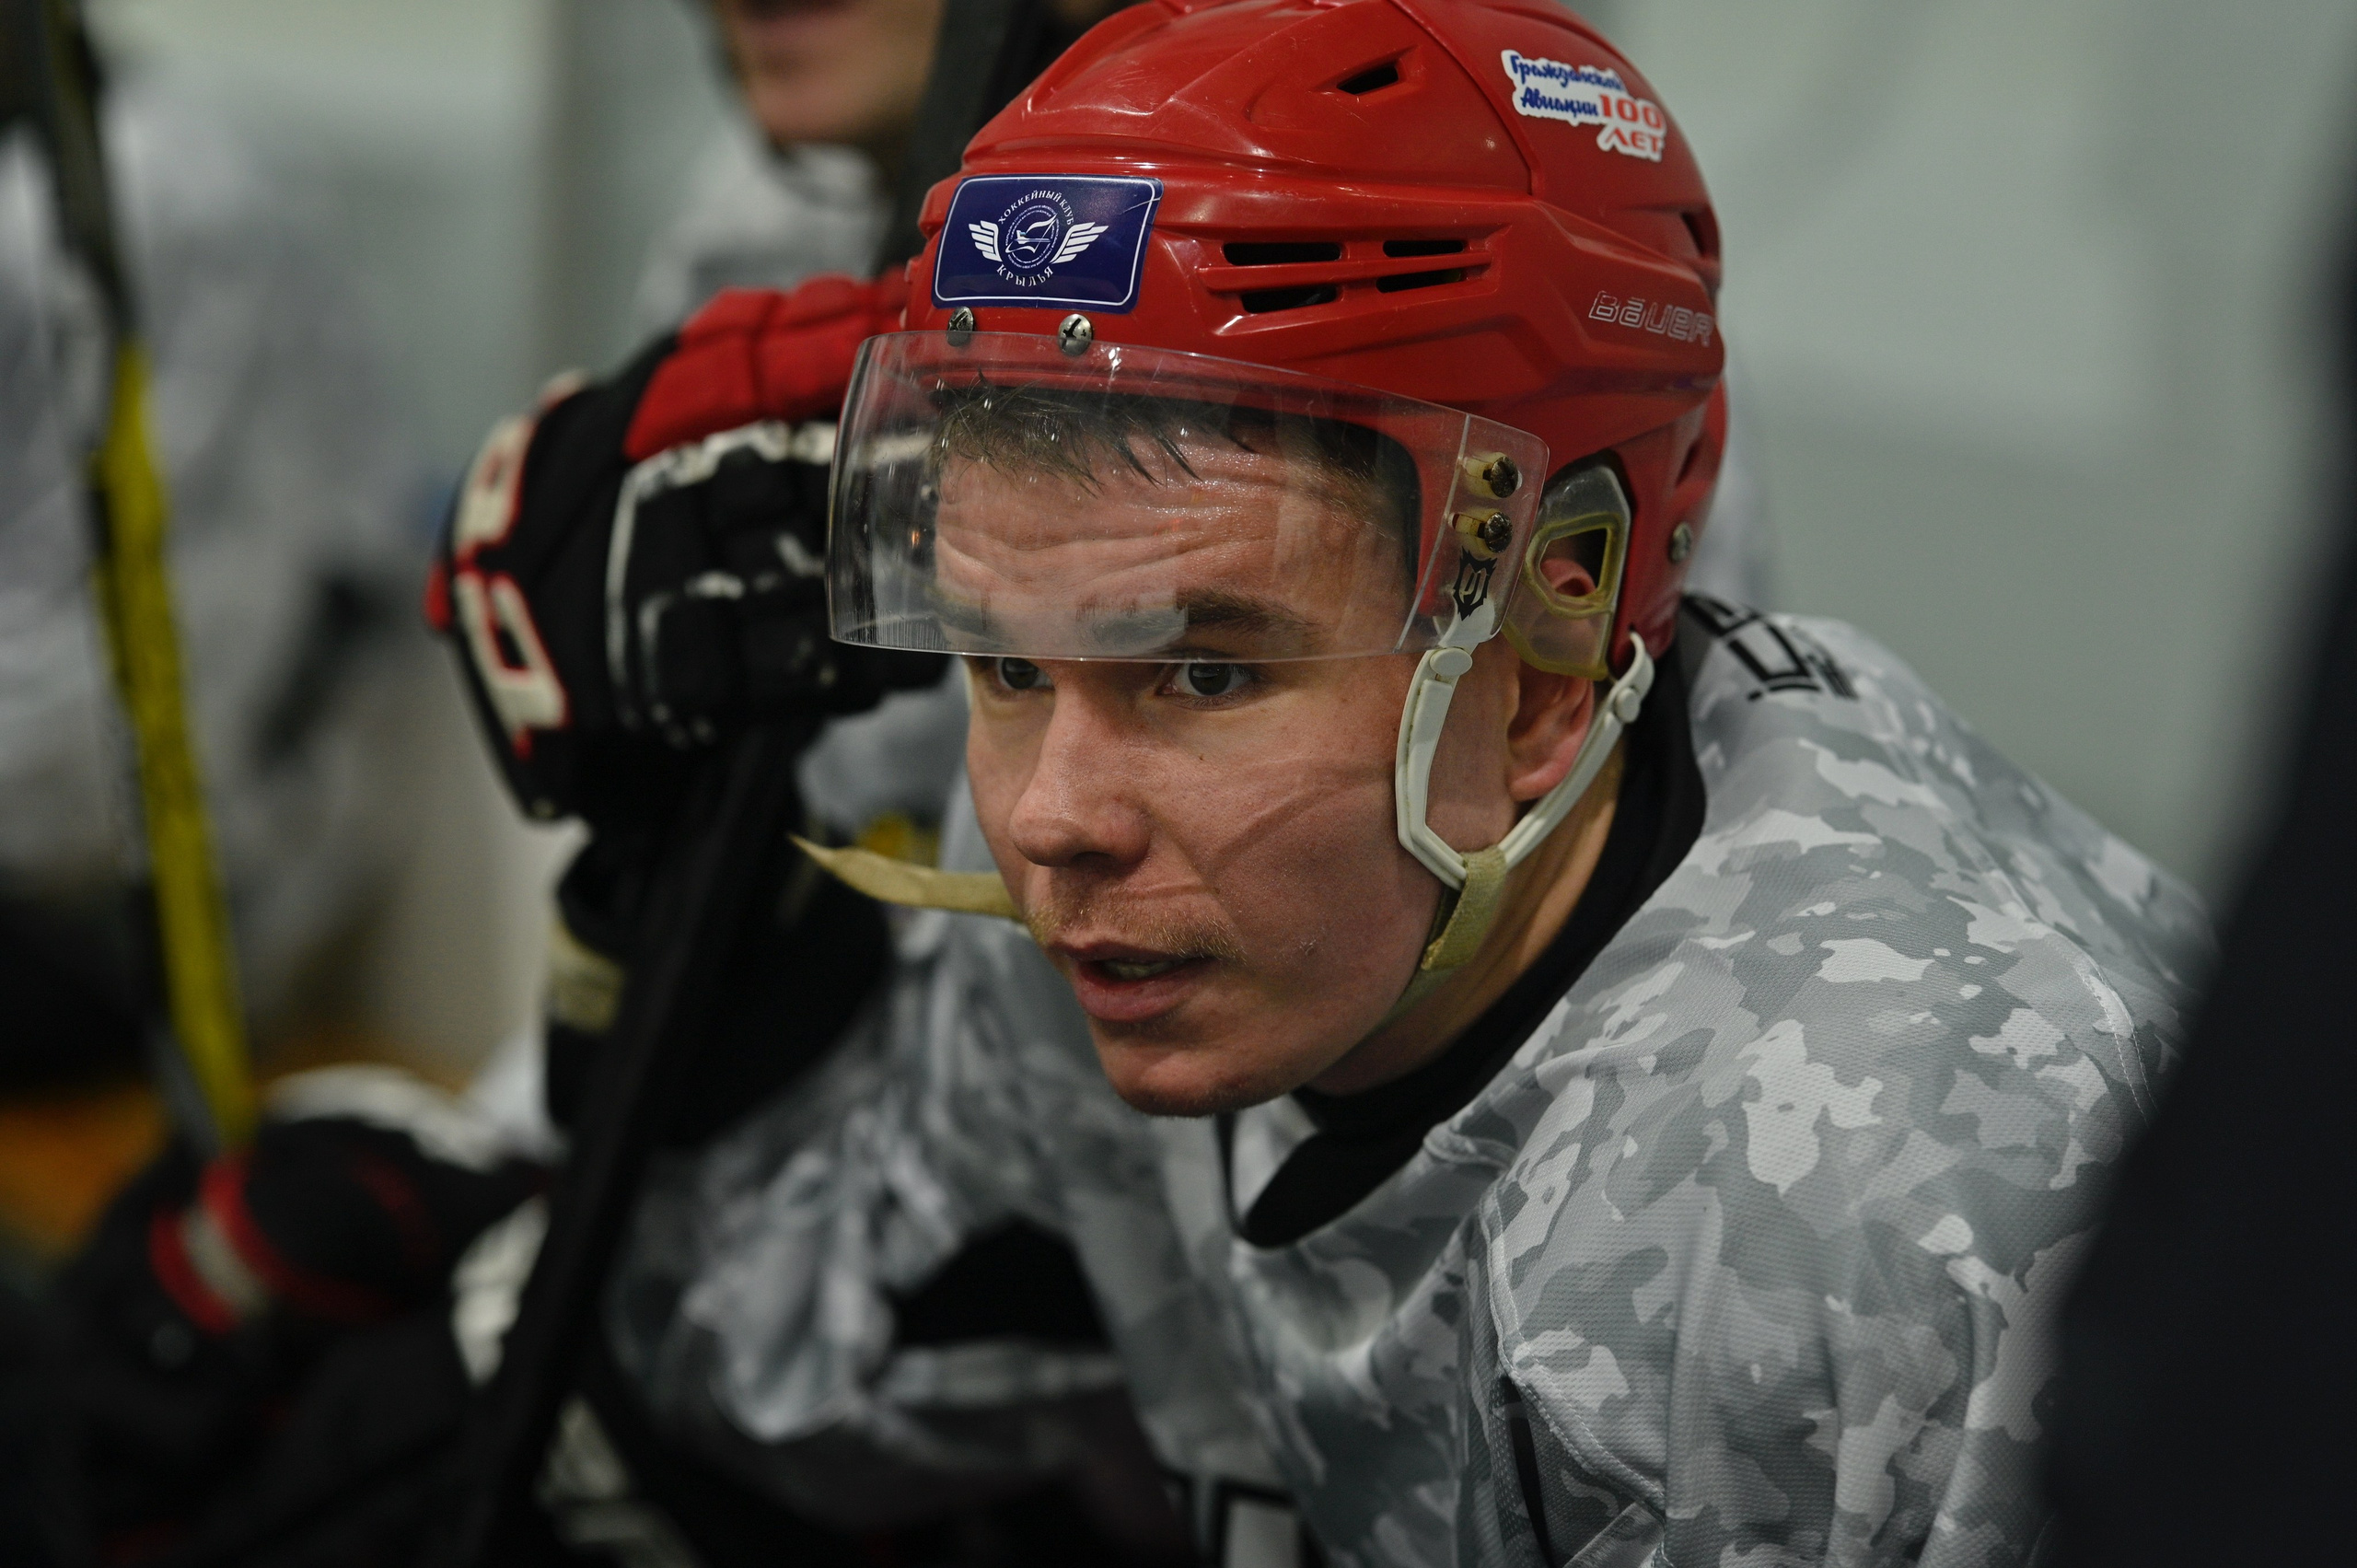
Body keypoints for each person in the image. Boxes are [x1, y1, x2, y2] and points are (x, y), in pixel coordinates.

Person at [425, 4, 2208, 1563]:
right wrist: (660, 920)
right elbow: (787, 1376)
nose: (1051, 817)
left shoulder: (1892, 1200)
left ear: (1542, 640)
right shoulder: (1165, 891)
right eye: (1000, 660)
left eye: (1205, 670)